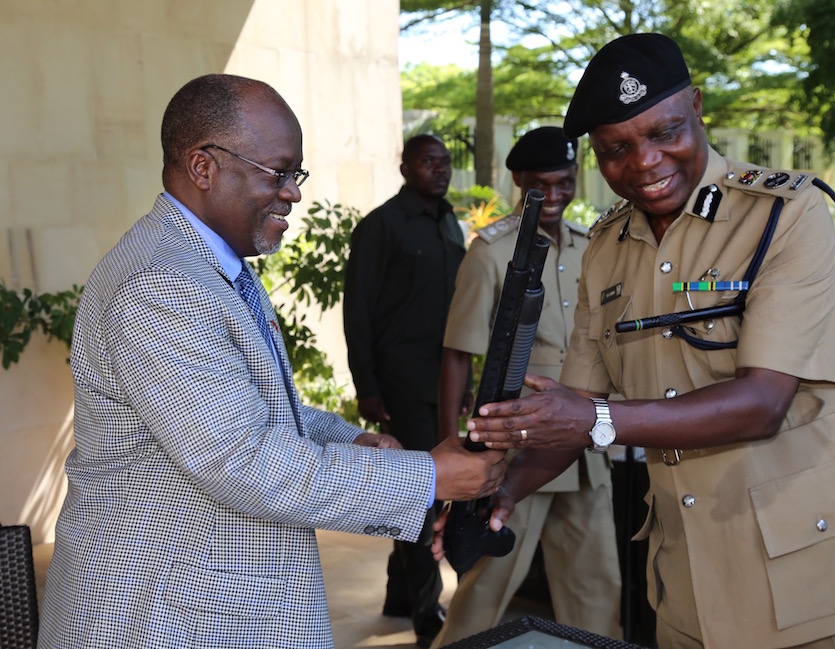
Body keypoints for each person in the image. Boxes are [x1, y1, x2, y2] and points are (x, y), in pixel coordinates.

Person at [435, 33, 835, 649]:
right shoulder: (606, 247)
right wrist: (501, 491)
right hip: (689, 585)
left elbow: (763, 402)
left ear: (697, 107)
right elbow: (576, 403)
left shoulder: (787, 214)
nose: (645, 162)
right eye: (615, 149)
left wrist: (594, 420)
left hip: (818, 577)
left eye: (665, 132)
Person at [37, 74, 506, 649]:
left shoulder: (209, 263)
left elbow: (251, 409)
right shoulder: (160, 284)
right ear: (203, 167)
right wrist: (428, 476)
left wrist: (352, 440)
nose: (293, 194)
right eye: (278, 172)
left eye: (295, 175)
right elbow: (243, 459)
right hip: (160, 617)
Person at [431, 126, 621, 646]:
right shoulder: (491, 252)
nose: (555, 195)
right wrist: (454, 452)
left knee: (597, 587)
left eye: (564, 182)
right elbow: (457, 354)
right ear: (518, 180)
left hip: (583, 441)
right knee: (486, 589)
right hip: (517, 445)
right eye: (541, 184)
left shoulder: (592, 245)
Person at [343, 134, 466, 647]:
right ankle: (426, 613)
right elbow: (358, 310)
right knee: (421, 492)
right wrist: (367, 387)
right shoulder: (381, 226)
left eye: (445, 161)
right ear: (405, 168)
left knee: (420, 492)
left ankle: (399, 593)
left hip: (445, 382)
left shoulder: (451, 224)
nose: (440, 169)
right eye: (428, 161)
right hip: (401, 383)